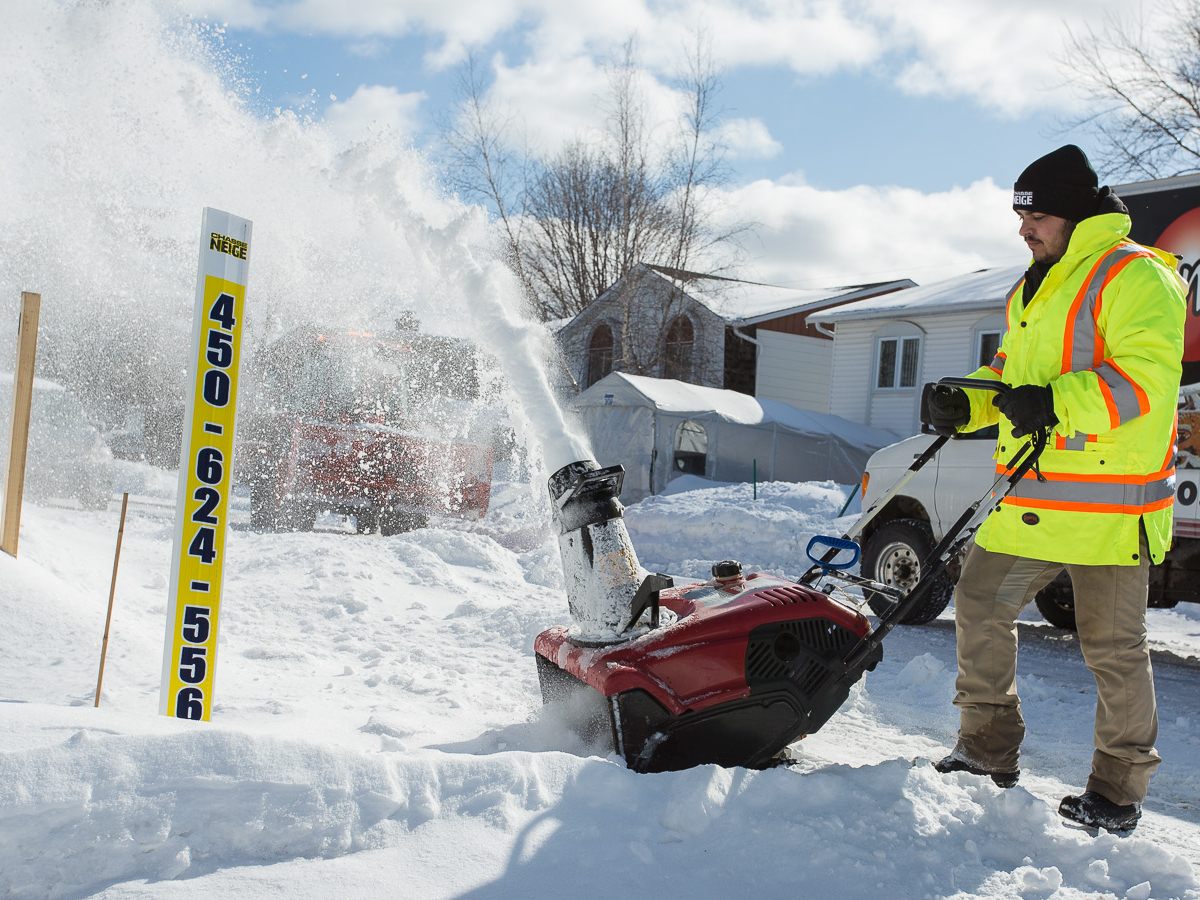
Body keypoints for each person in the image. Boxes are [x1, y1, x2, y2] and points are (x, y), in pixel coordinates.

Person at [921, 144, 1185, 833]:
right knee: (978, 603)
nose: (1023, 228)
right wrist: (967, 403)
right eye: (1021, 215)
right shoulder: (1032, 285)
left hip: (1109, 503)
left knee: (1112, 649)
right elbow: (1010, 376)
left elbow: (1147, 385)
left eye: (1034, 215)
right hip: (1034, 494)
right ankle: (985, 751)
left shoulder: (1136, 276)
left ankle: (1117, 792)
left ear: (1070, 213)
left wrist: (1056, 402)